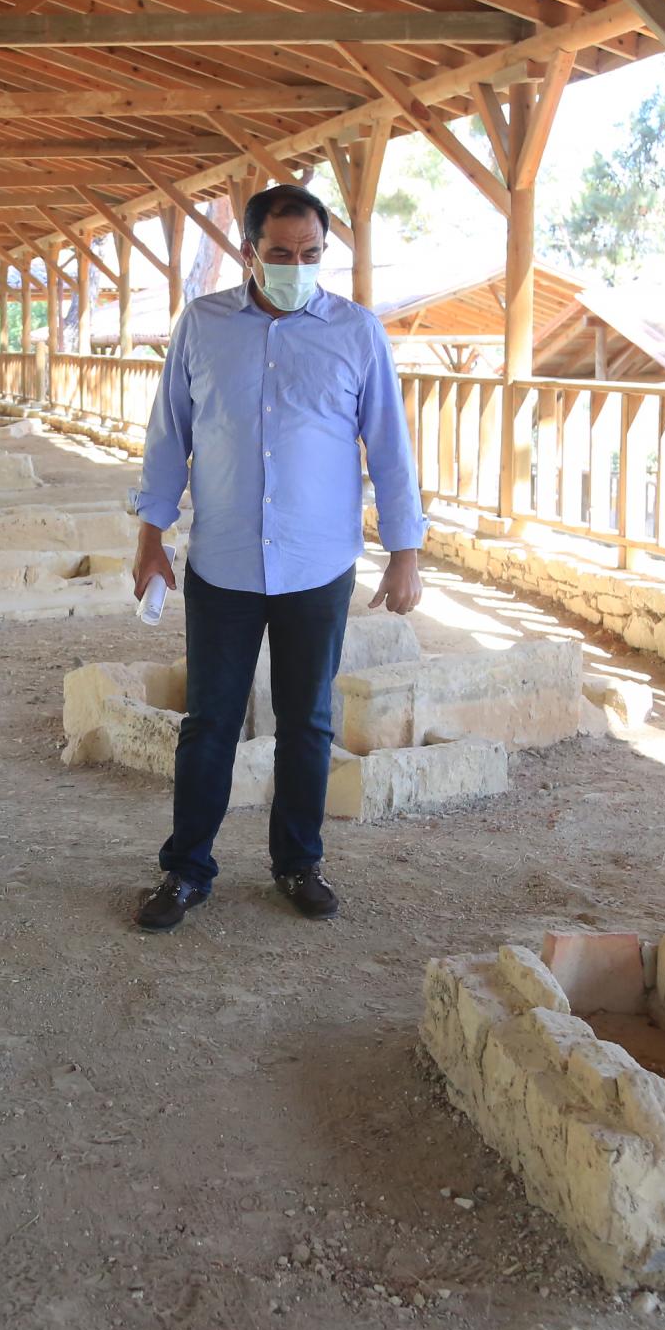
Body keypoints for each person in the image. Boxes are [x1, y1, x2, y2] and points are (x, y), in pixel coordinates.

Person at [126, 183, 427, 933]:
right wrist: (150, 537)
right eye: (282, 253)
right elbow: (169, 438)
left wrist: (405, 552)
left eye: (312, 254)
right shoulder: (202, 325)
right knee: (211, 723)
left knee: (307, 723)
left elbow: (389, 447)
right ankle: (186, 869)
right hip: (222, 561)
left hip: (317, 563)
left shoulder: (356, 333)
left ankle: (298, 861)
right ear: (249, 251)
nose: (297, 267)